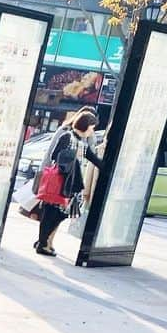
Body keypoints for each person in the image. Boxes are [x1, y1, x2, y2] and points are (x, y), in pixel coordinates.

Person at [34, 108, 101, 257]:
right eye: (91, 127)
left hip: (71, 185)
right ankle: (43, 243)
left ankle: (43, 241)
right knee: (50, 213)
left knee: (61, 214)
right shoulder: (67, 136)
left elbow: (94, 159)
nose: (92, 131)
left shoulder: (83, 143)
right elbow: (54, 155)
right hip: (60, 182)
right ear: (85, 126)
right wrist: (71, 156)